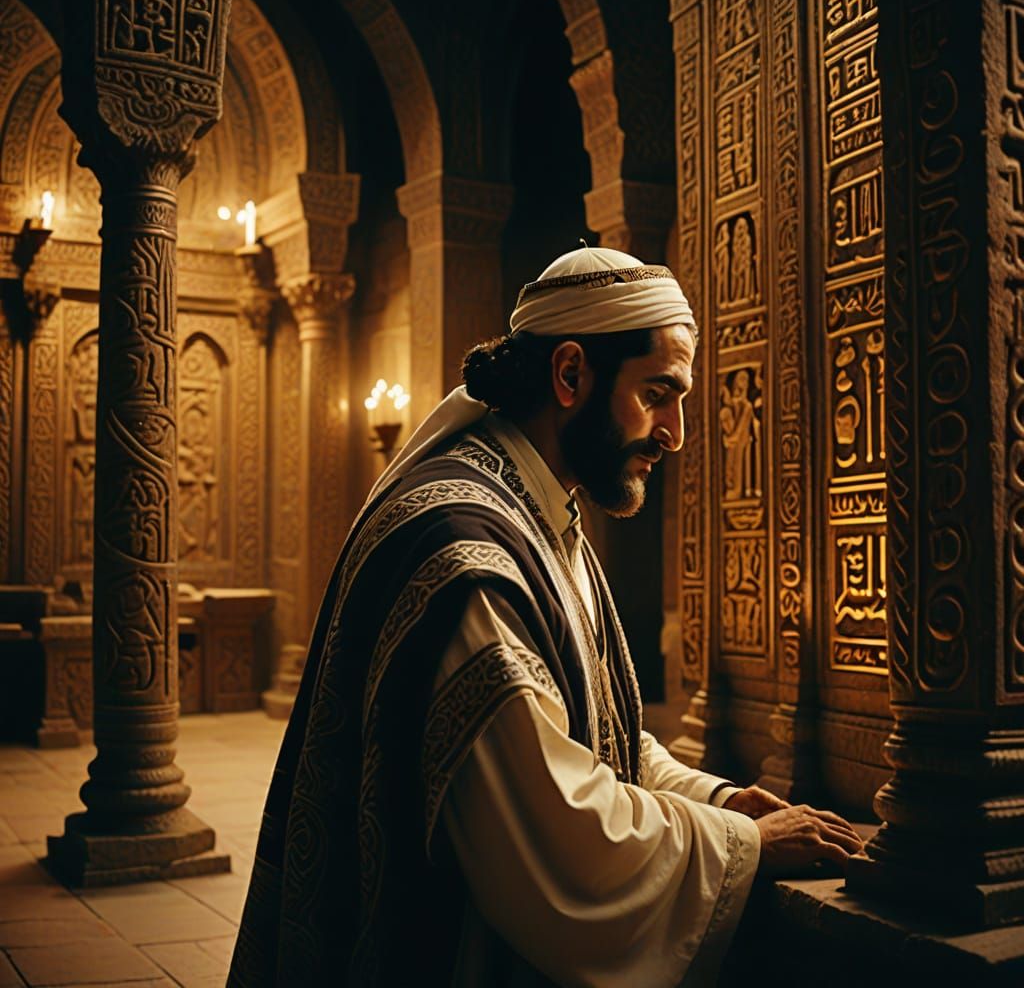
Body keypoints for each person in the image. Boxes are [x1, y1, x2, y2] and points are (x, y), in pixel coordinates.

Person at [228, 245, 863, 988]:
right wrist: (744, 843)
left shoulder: (535, 512)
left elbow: (593, 732)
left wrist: (716, 797)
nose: (675, 432)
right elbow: (560, 830)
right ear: (570, 375)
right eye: (659, 392)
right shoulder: (467, 553)